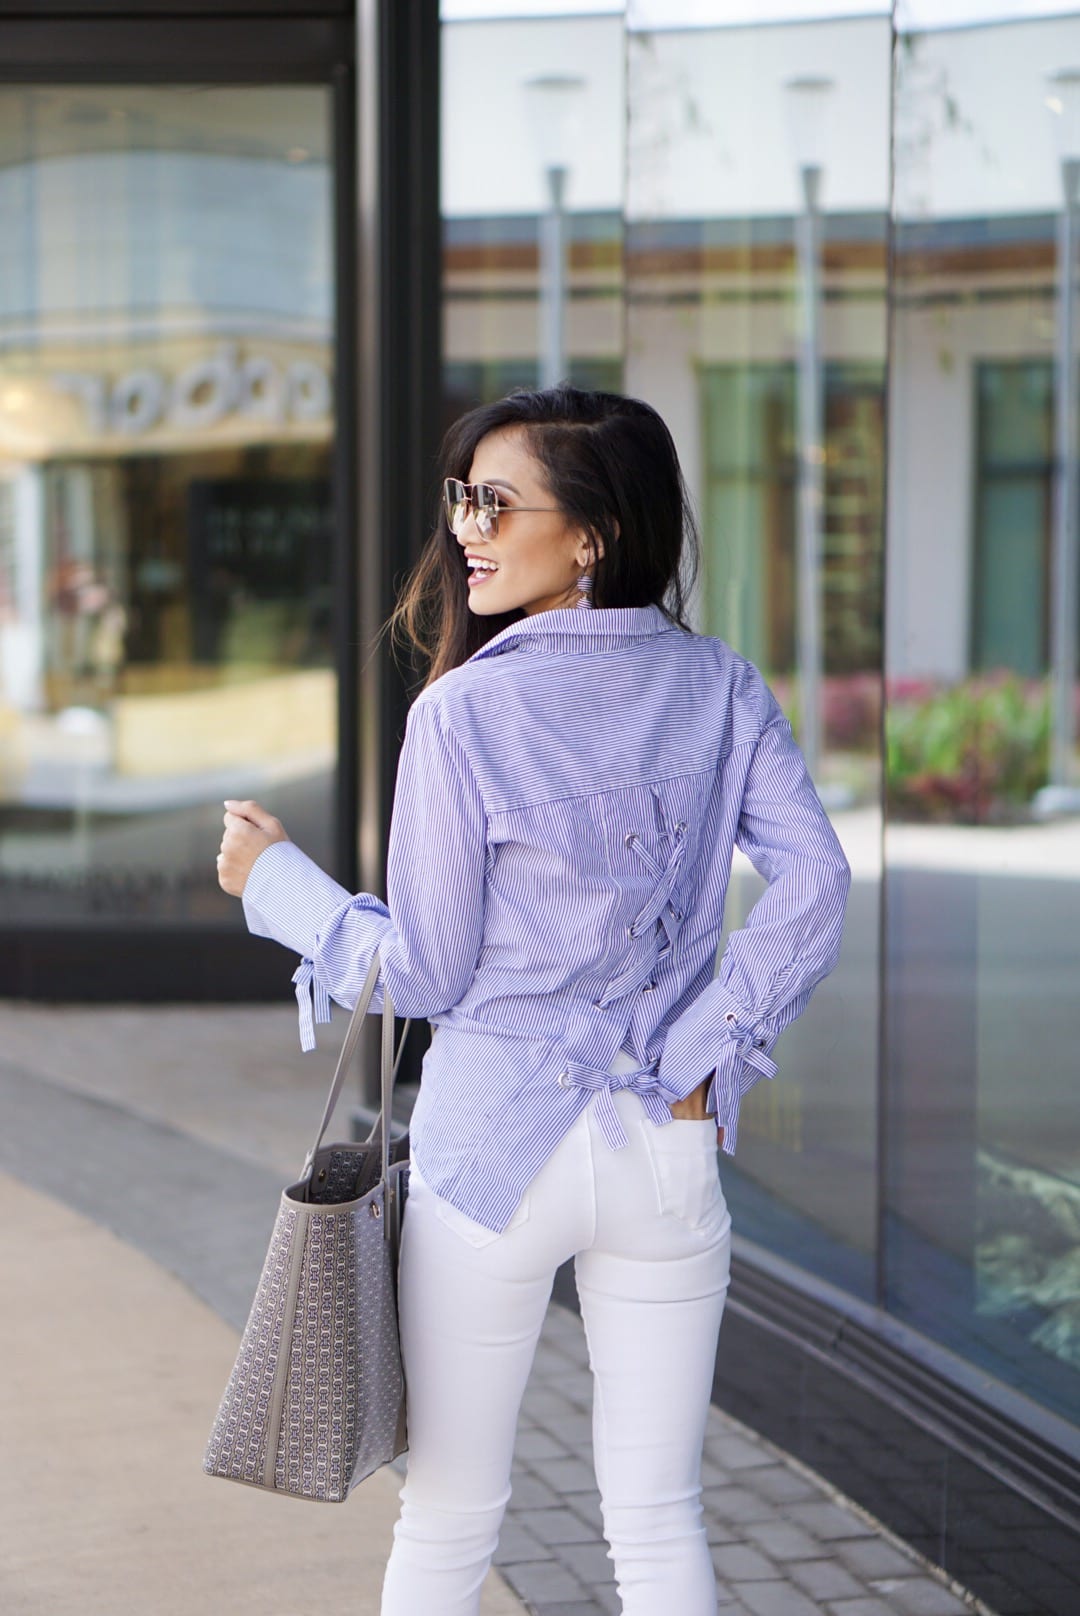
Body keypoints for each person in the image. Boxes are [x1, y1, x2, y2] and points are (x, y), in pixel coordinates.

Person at [215, 384, 851, 1616]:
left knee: (451, 1515)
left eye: (497, 501)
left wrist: (278, 885)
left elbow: (428, 975)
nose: (465, 525)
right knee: (660, 1518)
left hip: (491, 1157)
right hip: (668, 1148)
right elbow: (816, 878)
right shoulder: (720, 684)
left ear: (594, 535)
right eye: (464, 495)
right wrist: (709, 1048)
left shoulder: (459, 711)